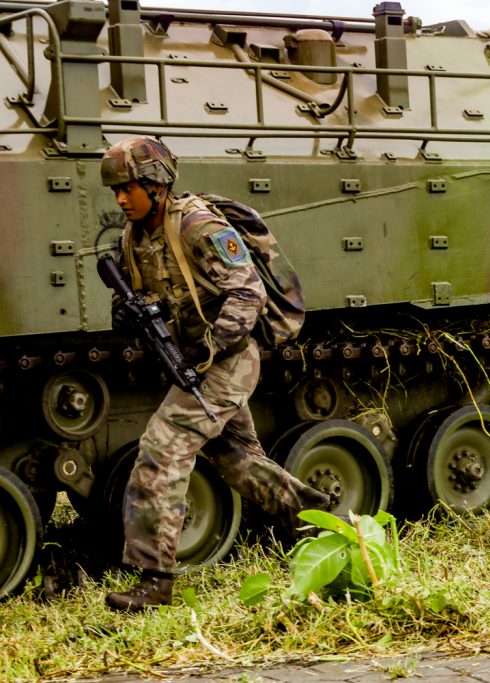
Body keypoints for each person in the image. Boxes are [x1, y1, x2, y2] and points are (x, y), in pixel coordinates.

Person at [100, 136, 330, 612]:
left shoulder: (198, 226)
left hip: (226, 360)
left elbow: (247, 295)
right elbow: (132, 297)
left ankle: (154, 580)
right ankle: (317, 522)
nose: (120, 199)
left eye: (128, 188)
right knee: (237, 460)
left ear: (156, 184)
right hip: (189, 361)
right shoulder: (134, 235)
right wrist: (124, 313)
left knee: (162, 449)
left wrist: (207, 350)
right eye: (116, 191)